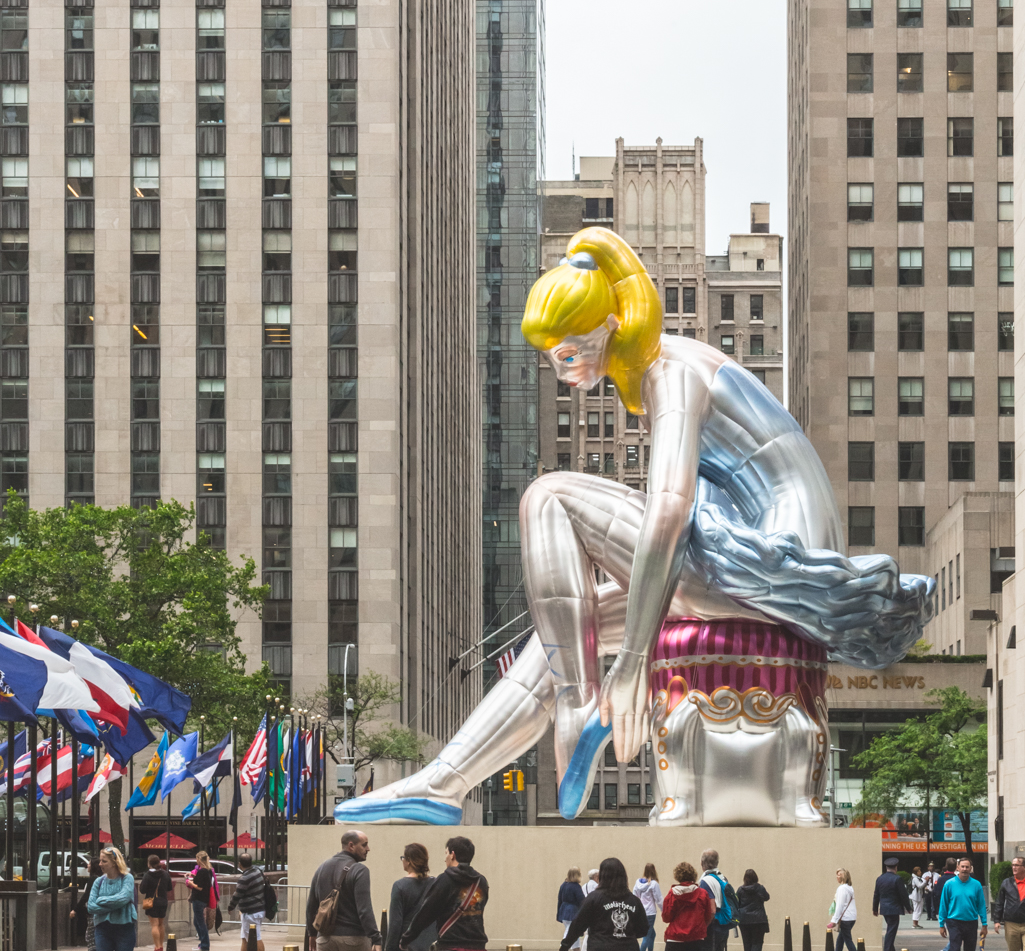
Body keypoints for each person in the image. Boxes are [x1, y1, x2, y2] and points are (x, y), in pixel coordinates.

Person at [342, 232, 932, 830]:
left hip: (767, 566)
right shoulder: (667, 370)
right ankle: (443, 782)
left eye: (569, 354)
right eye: (553, 358)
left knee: (548, 498)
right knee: (570, 630)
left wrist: (632, 664)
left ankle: (579, 707)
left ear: (611, 326)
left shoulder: (671, 372)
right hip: (758, 571)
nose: (562, 372)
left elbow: (669, 512)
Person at [938, 856, 987, 951]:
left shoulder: (976, 885)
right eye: (962, 867)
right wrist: (942, 924)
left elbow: (981, 905)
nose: (965, 869)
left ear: (970, 869)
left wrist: (984, 923)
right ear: (957, 868)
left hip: (971, 922)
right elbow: (943, 904)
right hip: (954, 922)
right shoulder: (949, 884)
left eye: (967, 867)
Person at [226, 854, 268, 951]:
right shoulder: (257, 871)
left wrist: (231, 906)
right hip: (258, 908)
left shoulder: (245, 878)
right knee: (245, 938)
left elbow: (237, 894)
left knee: (256, 937)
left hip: (251, 911)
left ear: (240, 864)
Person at [872, 858, 908, 951]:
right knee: (891, 931)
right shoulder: (897, 879)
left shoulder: (880, 879)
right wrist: (908, 907)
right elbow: (903, 895)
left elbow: (876, 895)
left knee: (890, 929)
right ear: (896, 867)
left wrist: (875, 908)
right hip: (894, 908)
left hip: (884, 908)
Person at [734, 869, 770, 951]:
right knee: (757, 941)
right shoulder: (760, 888)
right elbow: (767, 897)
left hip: (744, 920)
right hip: (758, 919)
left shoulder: (741, 890)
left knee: (747, 941)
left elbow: (737, 903)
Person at [138, 853, 170, 951]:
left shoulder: (148, 875)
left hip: (151, 902)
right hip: (163, 901)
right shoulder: (165, 874)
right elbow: (169, 887)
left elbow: (142, 890)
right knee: (161, 924)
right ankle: (161, 945)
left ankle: (157, 947)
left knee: (154, 925)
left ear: (149, 864)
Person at [185, 850, 214, 951]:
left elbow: (199, 887)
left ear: (199, 859)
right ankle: (203, 943)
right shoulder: (208, 870)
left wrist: (190, 882)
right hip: (204, 899)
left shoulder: (202, 871)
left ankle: (204, 945)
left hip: (199, 899)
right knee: (197, 921)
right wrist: (193, 876)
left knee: (200, 922)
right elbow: (201, 881)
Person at [828, 868, 858, 951]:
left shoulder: (842, 889)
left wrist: (834, 920)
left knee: (847, 939)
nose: (837, 877)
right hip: (851, 917)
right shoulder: (850, 888)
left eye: (839, 875)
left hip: (845, 918)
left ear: (844, 877)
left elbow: (840, 906)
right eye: (837, 875)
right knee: (841, 938)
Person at [555, 868, 585, 951]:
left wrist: (559, 913)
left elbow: (559, 899)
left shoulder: (563, 885)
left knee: (573, 935)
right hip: (573, 911)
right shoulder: (576, 887)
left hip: (564, 910)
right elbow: (582, 901)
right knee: (570, 933)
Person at [634, 864, 661, 951]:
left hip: (642, 911)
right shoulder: (654, 884)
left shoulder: (638, 882)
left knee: (652, 934)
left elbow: (635, 896)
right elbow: (658, 899)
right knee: (647, 935)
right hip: (650, 912)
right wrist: (663, 910)